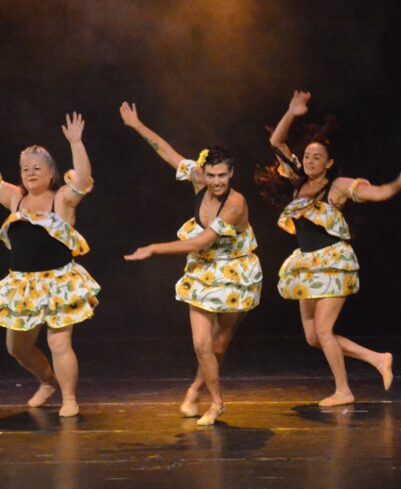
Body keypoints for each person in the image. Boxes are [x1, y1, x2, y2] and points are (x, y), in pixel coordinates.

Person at [257, 91, 401, 406]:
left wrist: (398, 184)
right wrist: (291, 112)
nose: (310, 160)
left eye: (318, 157)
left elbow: (376, 193)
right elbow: (276, 142)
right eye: (307, 156)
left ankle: (344, 390)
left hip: (332, 262)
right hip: (306, 264)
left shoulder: (338, 187)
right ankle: (378, 359)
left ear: (329, 163)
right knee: (314, 338)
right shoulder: (297, 184)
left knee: (324, 329)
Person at [120, 102, 262, 425]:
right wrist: (137, 125)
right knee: (201, 344)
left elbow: (200, 241)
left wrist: (154, 248)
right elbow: (167, 152)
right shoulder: (198, 179)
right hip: (203, 268)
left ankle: (198, 391)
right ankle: (216, 402)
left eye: (222, 175)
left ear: (232, 173)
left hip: (234, 271)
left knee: (219, 344)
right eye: (211, 175)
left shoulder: (236, 204)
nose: (215, 182)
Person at [0, 112, 100, 417]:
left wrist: (76, 142)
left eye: (37, 168)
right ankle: (47, 382)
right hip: (23, 284)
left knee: (58, 342)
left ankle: (69, 399)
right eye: (25, 169)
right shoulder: (15, 198)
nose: (30, 173)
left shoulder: (61, 199)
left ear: (51, 172)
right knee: (16, 348)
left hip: (58, 281)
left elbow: (82, 180)